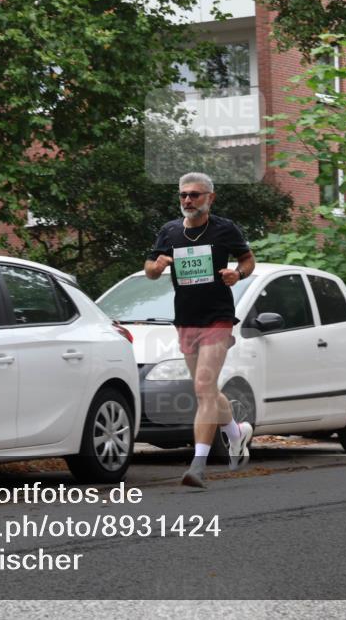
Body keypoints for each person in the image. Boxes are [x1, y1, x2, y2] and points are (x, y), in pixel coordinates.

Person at [144, 172, 257, 489]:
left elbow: (248, 260)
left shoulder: (224, 229)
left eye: (194, 195)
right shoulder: (169, 232)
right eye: (183, 195)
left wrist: (237, 274)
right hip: (186, 319)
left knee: (204, 386)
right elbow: (150, 270)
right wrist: (158, 265)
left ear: (210, 198)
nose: (188, 200)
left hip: (218, 318)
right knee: (206, 390)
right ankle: (236, 432)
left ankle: (198, 465)